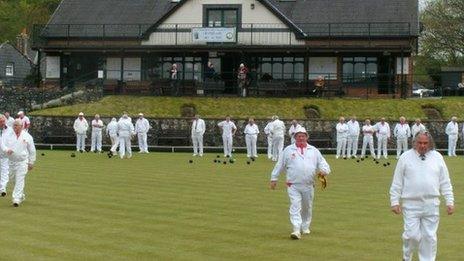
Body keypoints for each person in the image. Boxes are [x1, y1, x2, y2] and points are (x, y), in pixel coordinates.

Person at [390, 131, 454, 261]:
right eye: (420, 143)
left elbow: (445, 181)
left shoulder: (437, 157)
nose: (423, 146)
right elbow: (397, 182)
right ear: (414, 142)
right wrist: (394, 201)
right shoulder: (405, 157)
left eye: (425, 143)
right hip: (411, 204)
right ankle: (406, 257)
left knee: (429, 237)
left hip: (431, 203)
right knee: (412, 235)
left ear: (430, 143)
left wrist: (449, 201)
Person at [270, 126, 331, 240]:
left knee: (307, 207)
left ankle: (305, 226)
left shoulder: (313, 150)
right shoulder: (288, 150)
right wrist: (274, 178)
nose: (301, 138)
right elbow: (280, 164)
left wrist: (324, 171)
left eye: (303, 136)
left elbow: (323, 163)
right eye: (299, 136)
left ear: (306, 137)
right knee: (295, 206)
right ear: (295, 137)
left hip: (308, 185)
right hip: (293, 185)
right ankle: (296, 229)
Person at [1, 119, 36, 207]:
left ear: (22, 126)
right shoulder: (8, 135)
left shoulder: (27, 136)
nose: (15, 127)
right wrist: (6, 150)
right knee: (13, 180)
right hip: (11, 161)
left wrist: (31, 162)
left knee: (20, 179)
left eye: (17, 125)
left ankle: (16, 199)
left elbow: (32, 150)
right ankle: (21, 195)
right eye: (14, 125)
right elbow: (2, 144)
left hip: (22, 162)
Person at [0, 115, 12, 196]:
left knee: (5, 172)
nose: (2, 123)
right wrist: (6, 149)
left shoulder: (10, 130)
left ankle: (2, 189)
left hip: (5, 156)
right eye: (0, 122)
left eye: (3, 121)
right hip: (4, 151)